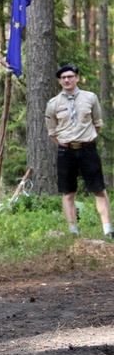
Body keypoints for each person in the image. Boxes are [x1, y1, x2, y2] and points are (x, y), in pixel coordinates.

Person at [45, 64, 112, 238]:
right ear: (60, 81)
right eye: (63, 78)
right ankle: (73, 232)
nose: (66, 80)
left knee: (99, 189)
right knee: (68, 192)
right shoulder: (53, 104)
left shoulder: (90, 98)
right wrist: (65, 144)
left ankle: (108, 230)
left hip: (88, 149)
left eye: (70, 76)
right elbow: (52, 131)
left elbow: (97, 123)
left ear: (77, 78)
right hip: (66, 152)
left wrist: (86, 140)